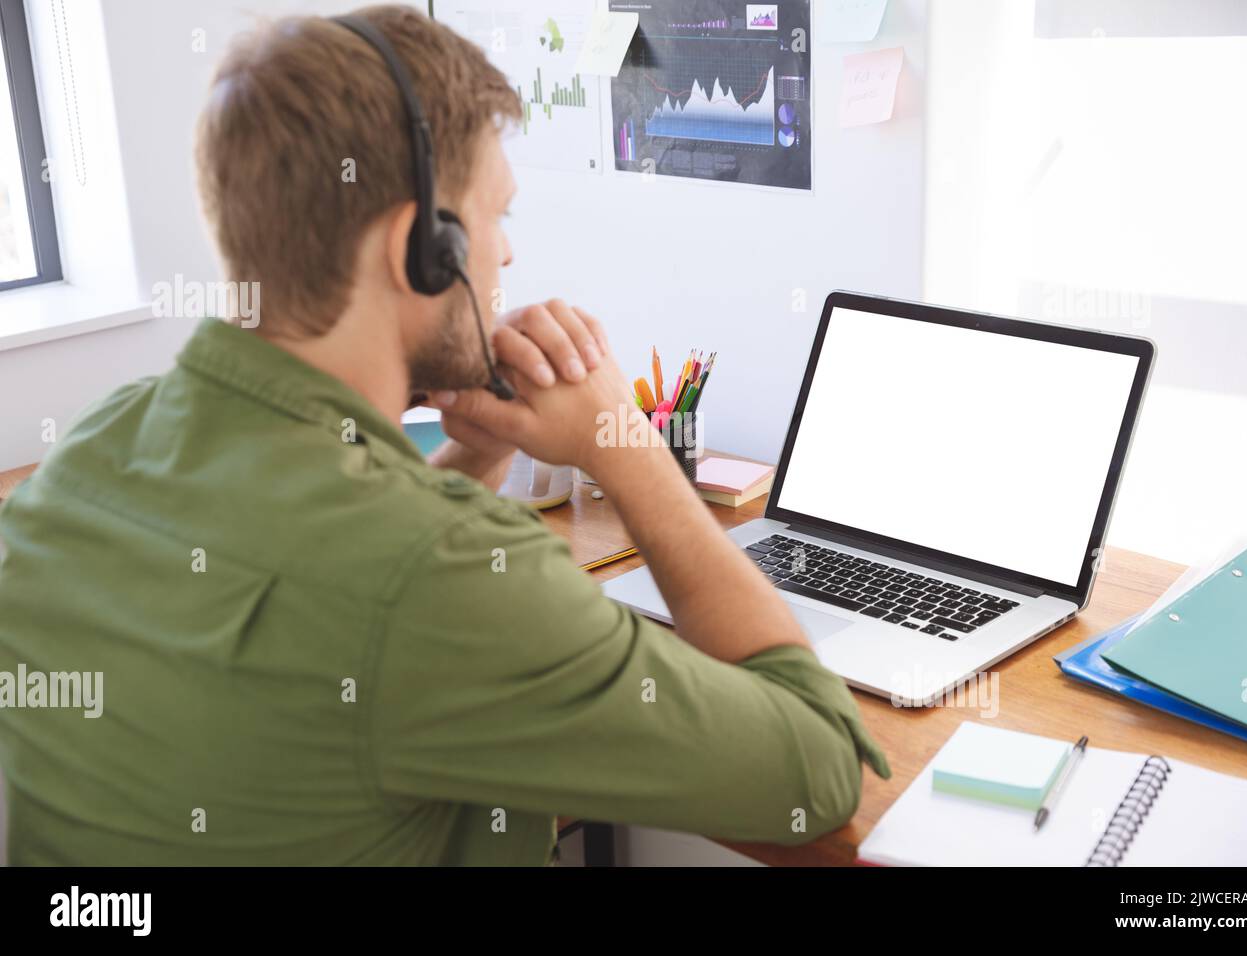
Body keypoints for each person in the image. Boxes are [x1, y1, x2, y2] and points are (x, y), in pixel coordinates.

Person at [0, 5, 886, 865]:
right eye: (497, 215)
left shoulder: (91, 450)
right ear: (421, 251)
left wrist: (485, 448)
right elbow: (817, 766)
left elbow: (347, 594)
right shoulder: (445, 578)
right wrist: (628, 451)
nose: (506, 255)